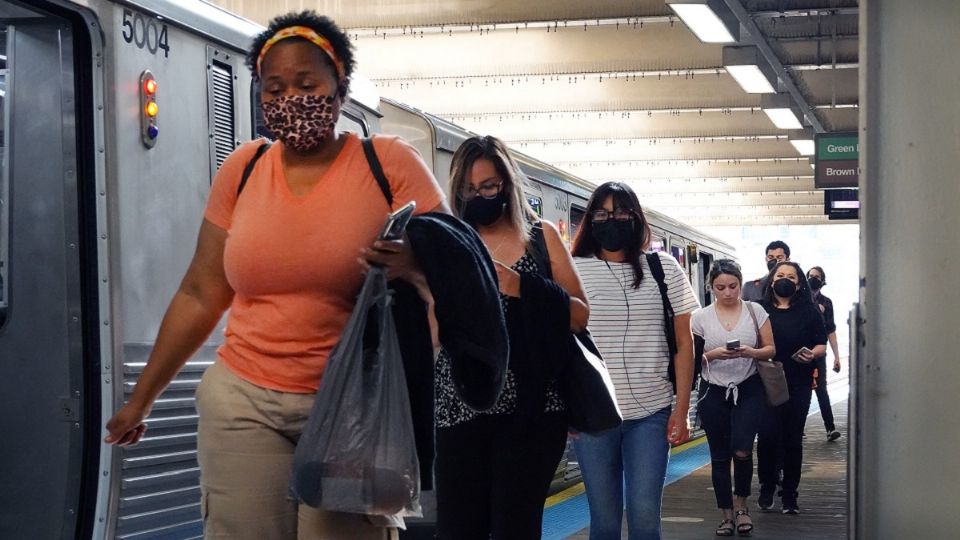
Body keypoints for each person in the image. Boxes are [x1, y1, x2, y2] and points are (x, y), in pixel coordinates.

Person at [103, 11, 452, 539]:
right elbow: (201, 291)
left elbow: (459, 269)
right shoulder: (243, 169)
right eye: (275, 88)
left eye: (308, 84)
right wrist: (140, 400)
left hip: (352, 405)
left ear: (339, 88)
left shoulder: (389, 164)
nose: (291, 99)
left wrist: (416, 263)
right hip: (243, 397)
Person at [433, 135, 590, 540]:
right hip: (458, 404)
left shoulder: (541, 237)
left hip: (531, 410)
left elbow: (579, 314)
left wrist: (525, 287)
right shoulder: (446, 240)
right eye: (469, 189)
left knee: (514, 528)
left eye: (488, 187)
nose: (479, 196)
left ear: (507, 185)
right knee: (457, 528)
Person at [570, 181, 699, 540]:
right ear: (590, 220)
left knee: (644, 519)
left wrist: (682, 408)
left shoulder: (664, 269)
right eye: (602, 213)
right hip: (594, 415)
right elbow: (561, 343)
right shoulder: (573, 269)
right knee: (605, 522)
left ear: (637, 218)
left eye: (622, 212)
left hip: (653, 412)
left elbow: (683, 344)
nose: (613, 220)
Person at [691, 260, 775, 536]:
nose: (727, 292)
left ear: (740, 283)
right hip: (713, 390)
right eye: (720, 288)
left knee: (742, 449)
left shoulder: (755, 311)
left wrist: (750, 352)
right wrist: (712, 355)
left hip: (748, 387)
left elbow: (771, 349)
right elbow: (693, 359)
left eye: (733, 286)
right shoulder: (700, 317)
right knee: (718, 455)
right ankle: (725, 513)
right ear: (711, 287)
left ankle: (742, 507)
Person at [756, 262, 827, 515]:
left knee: (792, 438)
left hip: (799, 381)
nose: (785, 280)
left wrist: (812, 354)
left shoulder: (809, 311)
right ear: (771, 281)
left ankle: (789, 494)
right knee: (766, 435)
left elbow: (821, 344)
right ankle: (767, 484)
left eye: (791, 276)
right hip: (767, 380)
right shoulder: (759, 310)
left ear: (799, 283)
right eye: (780, 276)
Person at [807, 266, 842, 441]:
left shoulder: (826, 303)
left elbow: (831, 331)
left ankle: (830, 428)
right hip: (800, 353)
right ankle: (798, 429)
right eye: (810, 276)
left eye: (816, 276)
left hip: (819, 352)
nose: (813, 279)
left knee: (821, 390)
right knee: (799, 392)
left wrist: (837, 356)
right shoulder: (799, 299)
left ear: (822, 280)